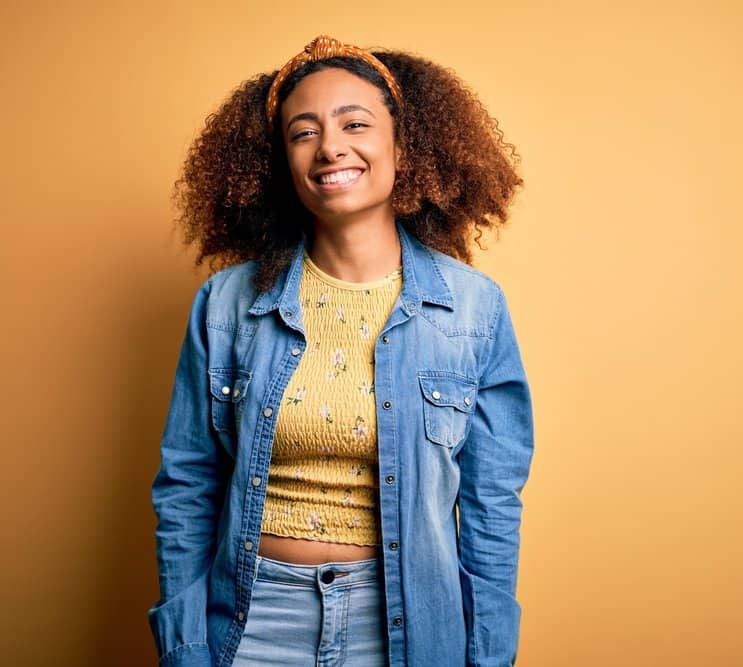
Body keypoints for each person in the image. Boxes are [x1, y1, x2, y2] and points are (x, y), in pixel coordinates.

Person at [147, 34, 534, 667]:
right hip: (252, 625)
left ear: (403, 146)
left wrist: (488, 654)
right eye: (304, 132)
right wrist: (186, 646)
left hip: (407, 629)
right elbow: (187, 485)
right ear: (280, 161)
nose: (330, 147)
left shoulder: (473, 309)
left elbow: (493, 503)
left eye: (355, 123)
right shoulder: (226, 304)